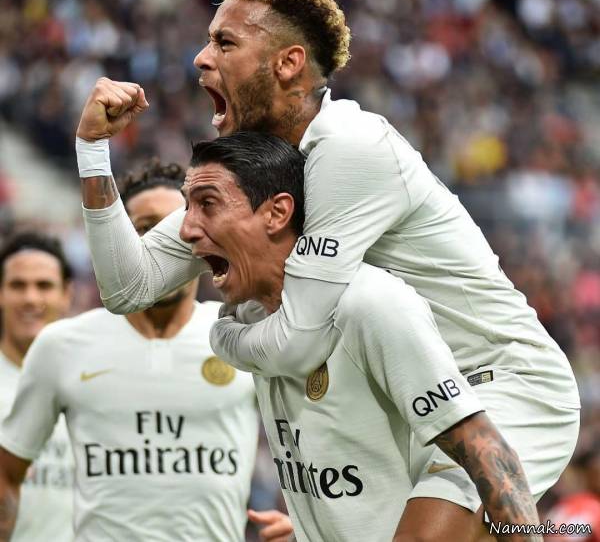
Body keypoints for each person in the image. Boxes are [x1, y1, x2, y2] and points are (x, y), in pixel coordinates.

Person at [74, 0, 579, 541]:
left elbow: (299, 340)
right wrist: (92, 150)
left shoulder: (350, 147)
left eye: (225, 42)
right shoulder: (255, 174)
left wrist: (222, 334)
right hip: (404, 394)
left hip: (502, 384)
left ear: (288, 63)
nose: (201, 58)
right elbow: (129, 286)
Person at [178, 131, 541, 542]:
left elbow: (487, 453)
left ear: (277, 213)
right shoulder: (254, 322)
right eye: (187, 207)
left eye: (208, 204)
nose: (187, 229)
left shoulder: (370, 305)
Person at [0, 161, 292, 542]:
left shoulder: (242, 332)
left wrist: (305, 522)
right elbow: (7, 474)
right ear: (119, 240)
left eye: (173, 229)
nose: (161, 247)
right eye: (144, 229)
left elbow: (314, 433)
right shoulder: (62, 346)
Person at [0, 232, 74, 542]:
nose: (30, 298)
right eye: (18, 285)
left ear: (66, 294)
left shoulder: (93, 382)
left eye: (44, 285)